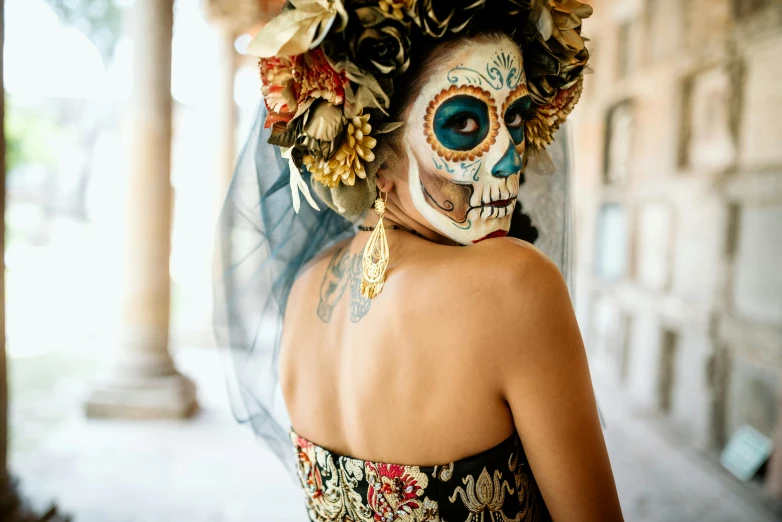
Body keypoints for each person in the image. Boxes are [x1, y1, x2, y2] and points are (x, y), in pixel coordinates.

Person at [216, 1, 624, 520]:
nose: (509, 157)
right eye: (463, 122)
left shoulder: (303, 291)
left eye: (515, 117)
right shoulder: (515, 287)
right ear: (372, 147)